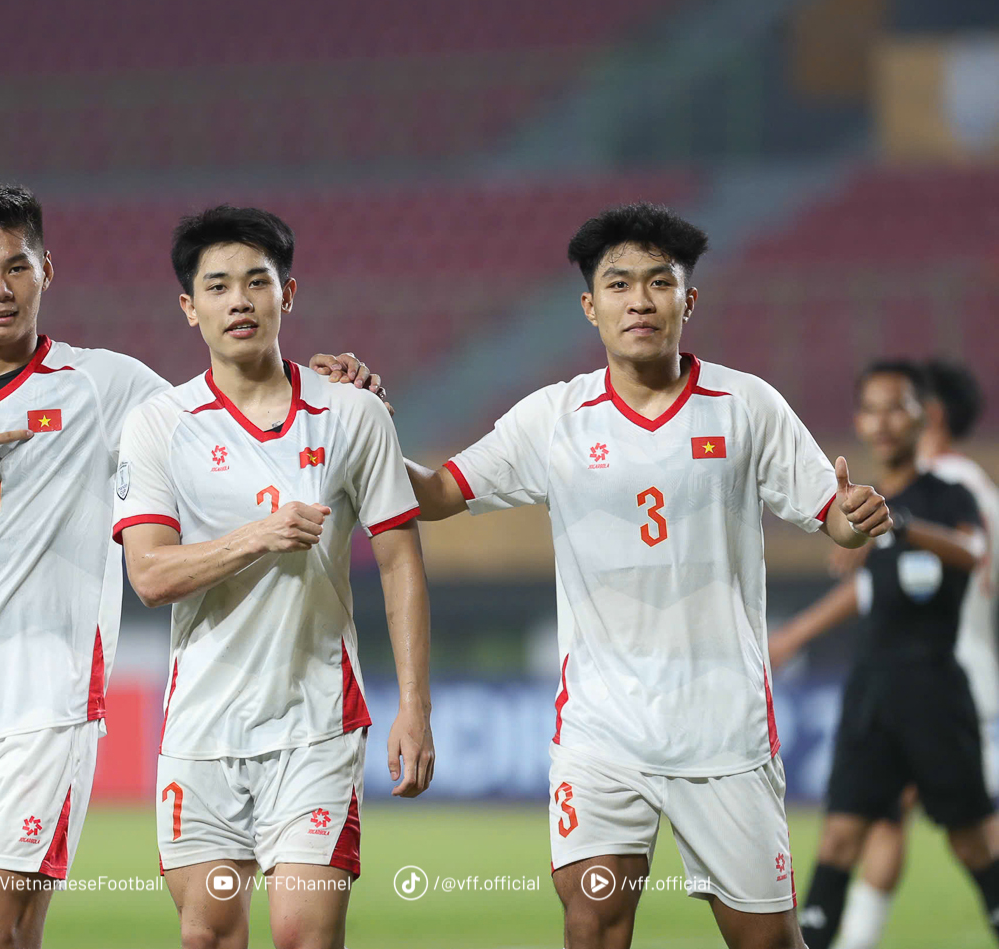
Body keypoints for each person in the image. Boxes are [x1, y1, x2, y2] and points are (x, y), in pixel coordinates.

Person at [0, 183, 380, 949]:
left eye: (16, 267)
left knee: (5, 933)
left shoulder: (106, 385)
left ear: (46, 270)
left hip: (45, 711)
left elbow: (225, 416)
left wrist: (321, 388)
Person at [401, 202, 890, 949]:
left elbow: (834, 516)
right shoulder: (554, 417)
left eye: (659, 283)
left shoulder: (746, 405)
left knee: (766, 940)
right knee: (592, 925)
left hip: (722, 728)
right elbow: (435, 494)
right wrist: (361, 429)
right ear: (589, 305)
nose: (639, 300)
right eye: (619, 284)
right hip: (601, 733)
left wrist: (857, 516)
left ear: (688, 301)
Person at [113, 205, 434, 949]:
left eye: (256, 282)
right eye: (217, 286)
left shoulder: (351, 412)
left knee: (301, 936)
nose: (239, 300)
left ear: (287, 294)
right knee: (208, 936)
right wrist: (257, 536)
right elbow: (149, 576)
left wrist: (414, 705)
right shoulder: (158, 423)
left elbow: (400, 561)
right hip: (201, 731)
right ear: (189, 307)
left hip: (317, 724)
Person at [768, 361, 999, 949]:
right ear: (858, 422)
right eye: (872, 409)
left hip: (937, 689)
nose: (884, 421)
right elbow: (864, 584)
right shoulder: (865, 503)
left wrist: (899, 525)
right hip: (871, 693)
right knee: (841, 837)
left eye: (898, 407)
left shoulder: (949, 490)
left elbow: (973, 551)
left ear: (925, 416)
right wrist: (853, 536)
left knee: (972, 840)